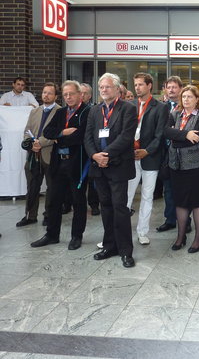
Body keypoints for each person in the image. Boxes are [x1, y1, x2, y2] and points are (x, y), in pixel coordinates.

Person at [84, 73, 137, 268]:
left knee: (120, 209)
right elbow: (88, 136)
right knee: (105, 207)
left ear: (117, 89)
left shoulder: (128, 109)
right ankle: (109, 246)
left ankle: (125, 251)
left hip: (118, 166)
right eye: (101, 87)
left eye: (107, 87)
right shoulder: (94, 111)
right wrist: (94, 156)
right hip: (99, 167)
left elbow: (126, 137)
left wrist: (105, 155)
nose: (104, 90)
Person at [31, 81, 90, 250]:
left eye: (71, 94)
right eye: (65, 95)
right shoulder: (61, 112)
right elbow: (47, 132)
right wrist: (62, 132)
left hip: (76, 163)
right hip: (58, 163)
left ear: (80, 94)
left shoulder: (87, 112)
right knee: (53, 201)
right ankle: (52, 235)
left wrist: (59, 137)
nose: (68, 97)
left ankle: (76, 236)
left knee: (78, 202)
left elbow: (80, 137)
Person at [165, 85, 199, 253]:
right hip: (176, 166)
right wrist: (185, 135)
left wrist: (176, 136)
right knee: (180, 202)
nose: (186, 100)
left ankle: (198, 238)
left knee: (198, 202)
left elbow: (196, 139)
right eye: (184, 97)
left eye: (190, 97)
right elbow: (165, 131)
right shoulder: (174, 114)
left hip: (197, 166)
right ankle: (181, 236)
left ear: (197, 99)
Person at [126, 72, 167, 245]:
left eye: (141, 84)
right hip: (130, 157)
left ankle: (142, 231)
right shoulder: (129, 105)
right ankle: (120, 231)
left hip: (150, 158)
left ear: (149, 85)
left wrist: (147, 151)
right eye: (135, 85)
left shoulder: (160, 107)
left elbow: (160, 135)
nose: (137, 88)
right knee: (126, 196)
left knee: (147, 196)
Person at [16, 83, 60, 228]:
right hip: (33, 155)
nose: (46, 95)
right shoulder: (34, 112)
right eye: (44, 92)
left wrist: (40, 143)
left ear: (55, 96)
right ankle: (30, 215)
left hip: (50, 155)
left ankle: (49, 215)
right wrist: (30, 144)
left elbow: (57, 133)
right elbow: (26, 130)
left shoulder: (60, 112)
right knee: (32, 186)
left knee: (52, 188)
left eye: (49, 93)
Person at [157, 76, 184, 233]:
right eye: (169, 87)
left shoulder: (186, 105)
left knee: (183, 188)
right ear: (165, 90)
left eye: (175, 87)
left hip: (182, 152)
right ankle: (170, 219)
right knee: (168, 188)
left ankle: (185, 220)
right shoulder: (161, 107)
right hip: (165, 153)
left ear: (180, 88)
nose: (172, 90)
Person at [80, 83, 100, 216]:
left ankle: (94, 205)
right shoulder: (71, 110)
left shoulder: (95, 109)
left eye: (84, 93)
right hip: (79, 151)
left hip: (93, 150)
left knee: (93, 179)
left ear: (90, 95)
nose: (82, 96)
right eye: (79, 93)